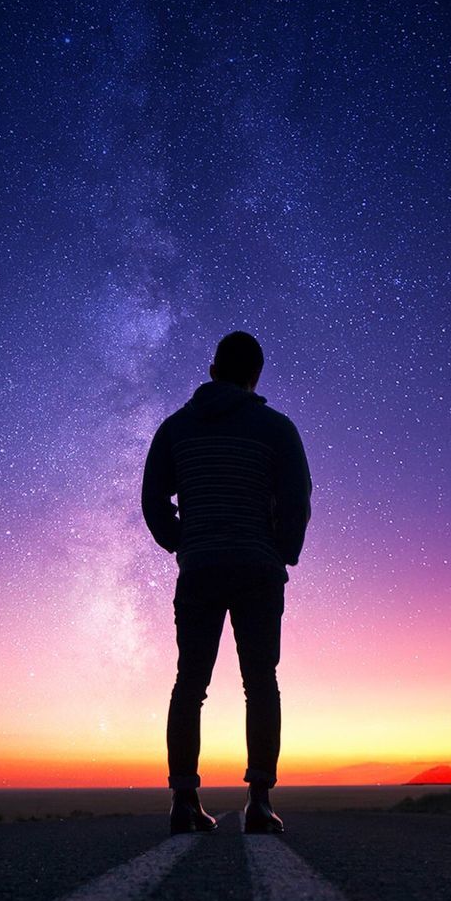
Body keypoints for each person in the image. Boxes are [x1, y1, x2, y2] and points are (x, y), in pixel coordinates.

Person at [141, 330, 312, 835]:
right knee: (260, 683)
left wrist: (184, 543)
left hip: (201, 569)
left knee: (189, 685)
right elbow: (297, 499)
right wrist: (283, 551)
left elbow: (153, 501)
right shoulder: (276, 428)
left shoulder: (174, 429)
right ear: (254, 376)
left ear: (214, 369)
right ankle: (258, 802)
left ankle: (183, 801)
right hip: (257, 569)